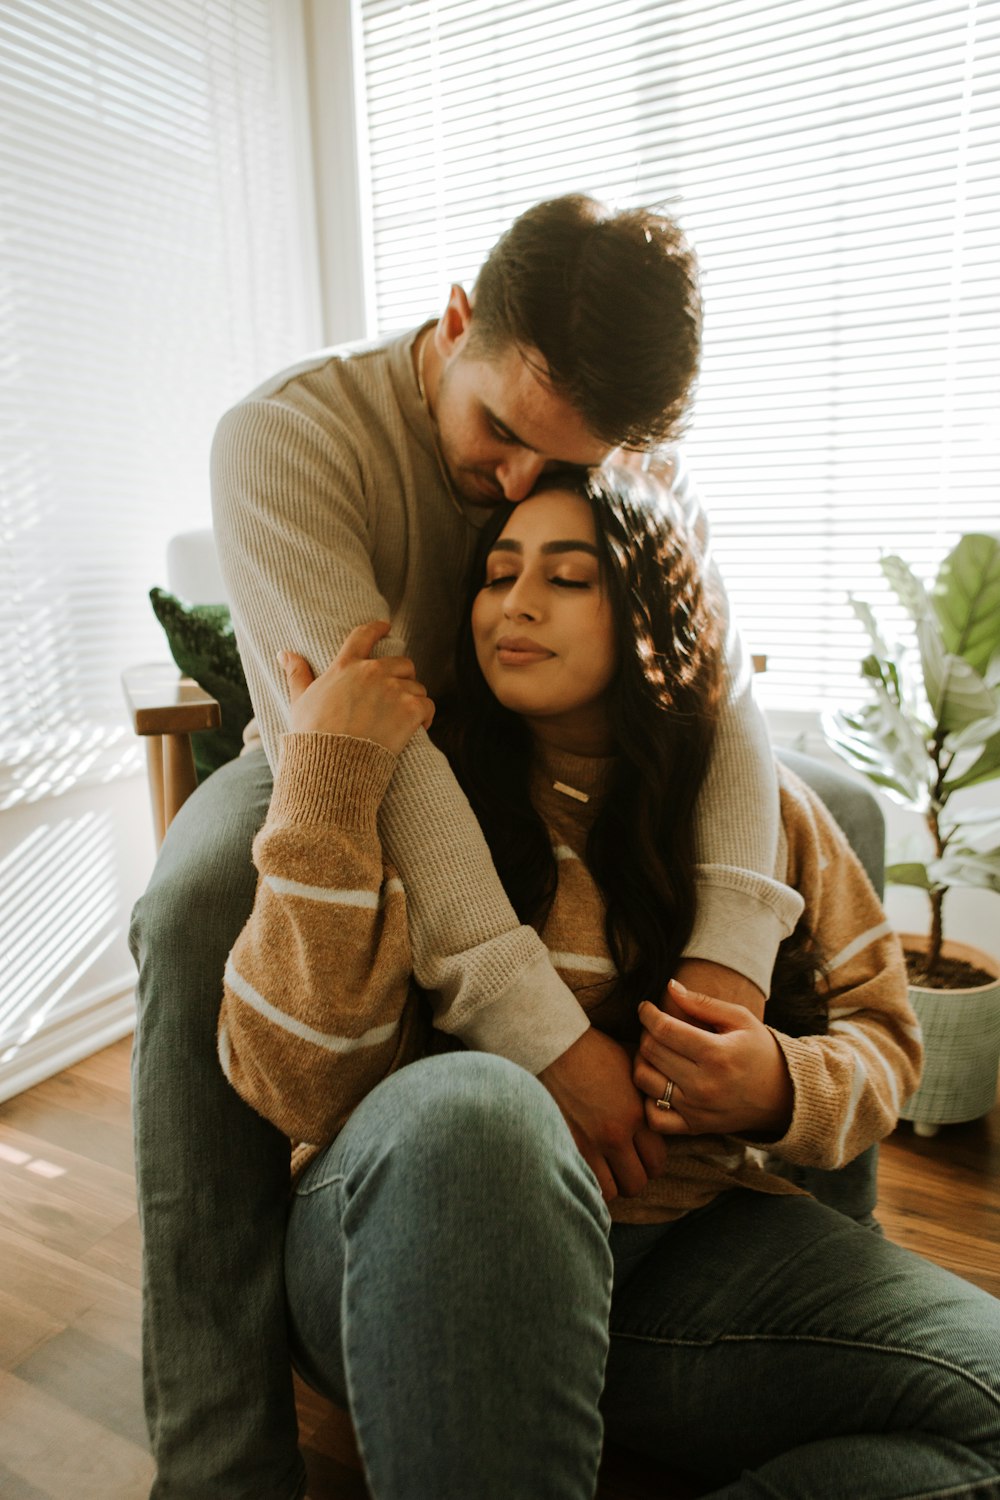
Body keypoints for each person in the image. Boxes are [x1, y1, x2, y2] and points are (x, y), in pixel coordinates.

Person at [129, 196, 882, 1496]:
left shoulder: (630, 453)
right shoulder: (285, 438)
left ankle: (802, 1275)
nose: (529, 483)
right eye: (504, 441)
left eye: (571, 460)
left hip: (578, 732)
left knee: (841, 810)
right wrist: (555, 1045)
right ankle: (218, 1456)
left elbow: (724, 692)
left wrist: (727, 972)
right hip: (355, 749)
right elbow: (404, 762)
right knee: (197, 894)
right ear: (457, 321)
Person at [217, 471, 1000, 1499]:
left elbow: (883, 1036)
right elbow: (294, 1083)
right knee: (480, 1110)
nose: (515, 602)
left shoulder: (766, 812)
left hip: (678, 1263)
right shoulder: (412, 788)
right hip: (402, 1264)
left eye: (568, 577)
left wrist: (776, 1084)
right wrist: (324, 785)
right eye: (498, 575)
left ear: (652, 611)